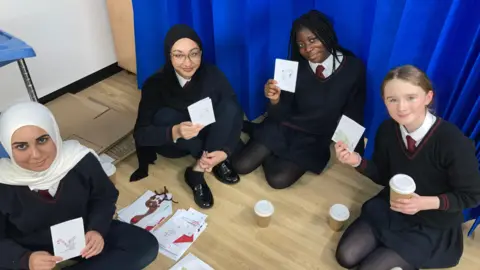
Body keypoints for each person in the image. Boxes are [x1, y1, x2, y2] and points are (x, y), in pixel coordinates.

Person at [334, 65, 480, 270]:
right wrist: (357, 161)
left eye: (411, 97)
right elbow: (384, 175)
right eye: (392, 99)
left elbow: (471, 196)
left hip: (431, 221)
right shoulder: (387, 130)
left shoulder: (453, 142)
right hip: (393, 206)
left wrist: (424, 203)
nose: (401, 107)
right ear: (385, 102)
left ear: (428, 97)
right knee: (346, 257)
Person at [0, 102, 159, 270]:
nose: (36, 154)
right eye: (21, 146)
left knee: (144, 246)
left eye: (42, 140)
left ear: (54, 135)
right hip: (28, 248)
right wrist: (25, 259)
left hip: (83, 235)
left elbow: (104, 197)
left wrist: (96, 229)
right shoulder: (4, 182)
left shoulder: (78, 160)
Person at [233, 10, 366, 189]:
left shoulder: (353, 68)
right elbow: (279, 113)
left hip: (315, 136)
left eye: (312, 40)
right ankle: (261, 135)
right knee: (240, 166)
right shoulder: (293, 68)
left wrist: (354, 151)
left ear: (327, 35)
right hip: (285, 124)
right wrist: (274, 100)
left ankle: (257, 133)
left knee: (277, 180)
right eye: (301, 44)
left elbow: (354, 109)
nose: (307, 49)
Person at [131, 24, 243, 209]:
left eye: (194, 53)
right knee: (165, 115)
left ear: (201, 52)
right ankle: (207, 163)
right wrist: (174, 131)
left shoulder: (212, 74)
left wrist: (225, 151)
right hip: (176, 144)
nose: (188, 62)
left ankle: (199, 169)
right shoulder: (155, 84)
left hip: (204, 133)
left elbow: (235, 112)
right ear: (169, 55)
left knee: (229, 106)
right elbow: (140, 134)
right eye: (178, 55)